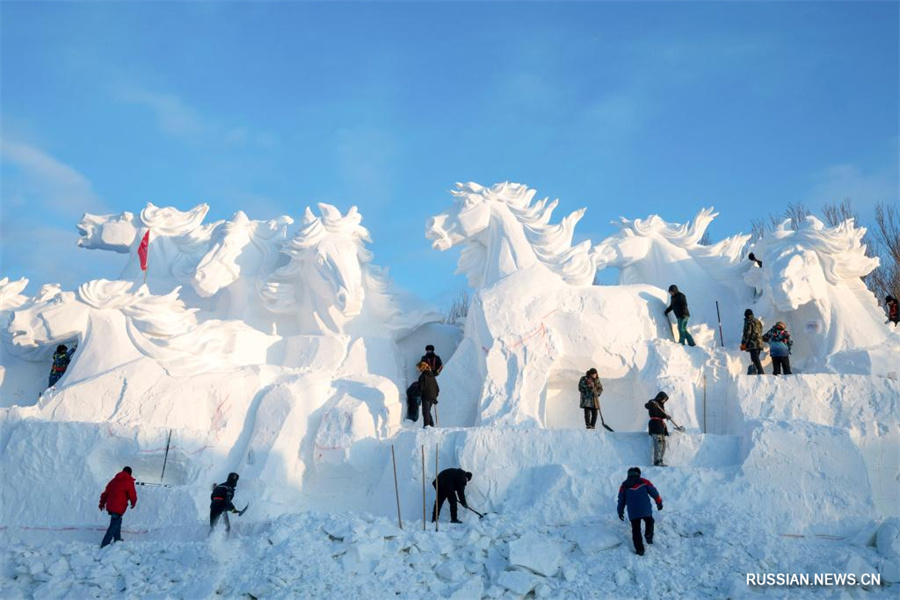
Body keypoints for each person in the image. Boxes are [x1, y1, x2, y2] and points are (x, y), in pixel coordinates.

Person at [617, 467, 663, 556]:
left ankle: (640, 550)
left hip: (633, 512)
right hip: (645, 508)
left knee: (636, 530)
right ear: (638, 474)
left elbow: (621, 500)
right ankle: (648, 535)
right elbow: (654, 492)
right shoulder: (644, 481)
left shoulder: (624, 486)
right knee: (650, 520)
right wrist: (659, 502)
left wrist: (620, 512)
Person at [98, 466, 137, 548]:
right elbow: (132, 494)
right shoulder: (129, 481)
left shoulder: (114, 480)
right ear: (130, 473)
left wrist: (102, 503)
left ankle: (117, 539)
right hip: (118, 507)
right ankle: (104, 544)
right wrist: (133, 502)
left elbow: (106, 493)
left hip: (111, 506)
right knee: (114, 524)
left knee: (117, 521)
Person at [645, 392, 672, 467]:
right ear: (660, 397)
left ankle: (661, 460)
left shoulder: (661, 405)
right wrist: (652, 403)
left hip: (661, 426)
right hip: (655, 425)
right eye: (663, 399)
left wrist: (666, 416)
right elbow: (646, 405)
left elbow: (661, 414)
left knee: (663, 445)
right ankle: (657, 461)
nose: (664, 401)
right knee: (658, 445)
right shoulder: (653, 402)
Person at [740, 309, 765, 375]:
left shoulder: (748, 322)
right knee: (755, 357)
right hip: (759, 342)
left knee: (754, 357)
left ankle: (760, 371)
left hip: (753, 343)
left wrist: (743, 342)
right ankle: (755, 371)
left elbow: (747, 333)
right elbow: (761, 330)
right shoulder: (757, 321)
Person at [417, 361, 439, 428]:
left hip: (426, 396)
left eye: (419, 369)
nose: (418, 370)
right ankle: (431, 424)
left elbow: (420, 388)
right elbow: (437, 388)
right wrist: (435, 396)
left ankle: (427, 425)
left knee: (425, 411)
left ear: (421, 368)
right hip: (432, 397)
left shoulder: (422, 376)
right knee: (427, 411)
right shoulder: (432, 376)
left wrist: (418, 396)